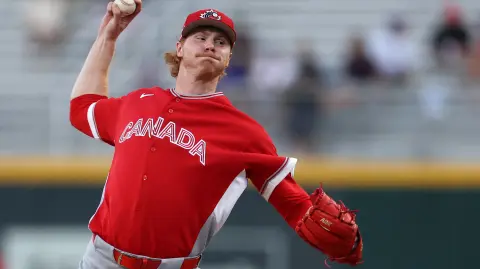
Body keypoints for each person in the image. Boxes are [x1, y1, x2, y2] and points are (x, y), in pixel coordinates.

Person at [69, 1, 363, 268]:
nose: (210, 45)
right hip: (101, 261)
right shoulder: (137, 102)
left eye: (220, 42)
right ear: (180, 48)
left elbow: (294, 204)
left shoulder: (243, 132)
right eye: (201, 38)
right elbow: (81, 108)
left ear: (228, 58)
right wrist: (108, 37)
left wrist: (339, 240)